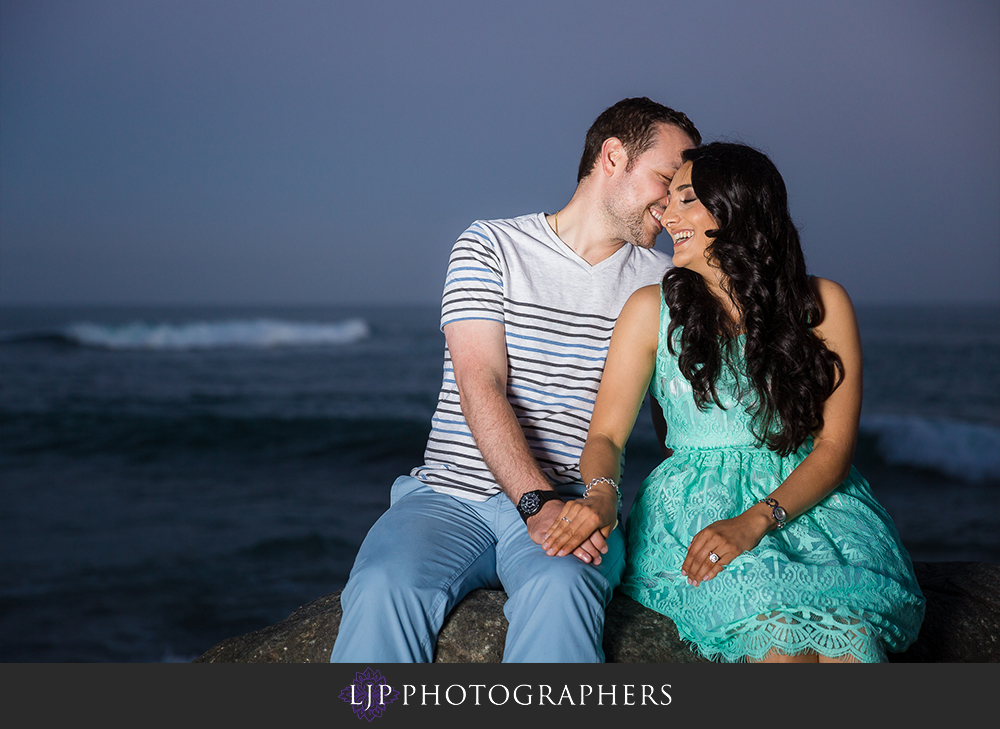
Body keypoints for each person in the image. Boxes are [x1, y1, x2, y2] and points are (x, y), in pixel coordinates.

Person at [330, 98, 701, 663]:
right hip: (449, 496)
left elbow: (683, 419)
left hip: (578, 501)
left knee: (562, 590)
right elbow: (482, 384)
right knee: (384, 586)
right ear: (613, 156)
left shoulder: (666, 284)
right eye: (667, 179)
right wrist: (534, 502)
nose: (674, 203)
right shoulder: (491, 246)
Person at [543, 142, 926, 663]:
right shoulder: (650, 309)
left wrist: (758, 520)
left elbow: (834, 447)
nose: (666, 214)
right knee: (774, 634)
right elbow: (606, 436)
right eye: (668, 200)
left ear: (735, 208)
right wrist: (602, 495)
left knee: (850, 642)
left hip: (814, 508)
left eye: (685, 200)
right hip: (694, 508)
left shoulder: (824, 303)